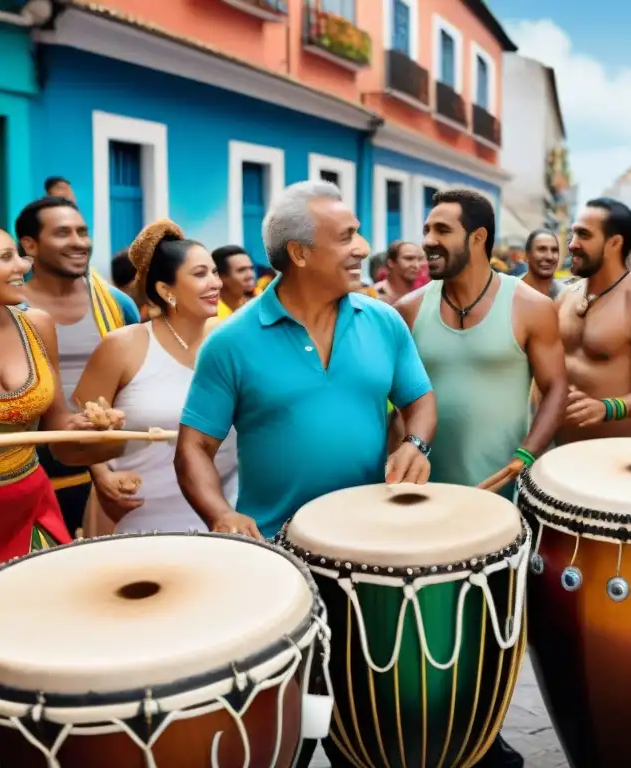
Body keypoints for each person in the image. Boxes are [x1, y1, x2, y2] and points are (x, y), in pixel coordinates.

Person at [393, 189, 568, 767]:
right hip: (423, 506)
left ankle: (482, 732)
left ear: (478, 238)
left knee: (493, 627)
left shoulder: (530, 306)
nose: (428, 241)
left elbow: (556, 388)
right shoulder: (408, 310)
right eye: (426, 229)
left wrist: (527, 455)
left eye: (441, 230)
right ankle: (438, 728)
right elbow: (395, 403)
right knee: (429, 628)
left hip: (501, 502)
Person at [176, 179, 435, 540]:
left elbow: (419, 399)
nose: (363, 248)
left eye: (358, 233)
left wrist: (415, 444)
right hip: (276, 547)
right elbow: (194, 447)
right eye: (346, 237)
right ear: (299, 253)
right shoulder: (230, 341)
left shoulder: (384, 321)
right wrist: (220, 513)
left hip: (372, 540)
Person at [74, 220, 238, 535]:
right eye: (200, 274)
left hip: (225, 511)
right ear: (166, 291)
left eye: (215, 272)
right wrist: (102, 475)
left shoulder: (230, 340)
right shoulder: (123, 345)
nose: (216, 283)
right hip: (139, 513)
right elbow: (81, 427)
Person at [0, 227, 126, 562]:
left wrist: (91, 427)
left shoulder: (37, 325)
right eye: (5, 258)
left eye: (18, 255)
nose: (23, 265)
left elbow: (57, 429)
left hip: (31, 509)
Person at [15, 197, 140, 537]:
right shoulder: (11, 312)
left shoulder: (116, 305)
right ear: (30, 245)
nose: (79, 242)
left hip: (118, 472)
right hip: (34, 474)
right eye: (63, 233)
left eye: (82, 232)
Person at [554, 198, 631, 444]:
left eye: (584, 235)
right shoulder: (565, 297)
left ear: (614, 243)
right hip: (557, 450)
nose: (572, 244)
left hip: (615, 451)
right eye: (573, 234)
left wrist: (609, 408)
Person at [210, 245, 256, 317]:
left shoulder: (254, 305)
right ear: (220, 277)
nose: (250, 275)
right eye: (241, 270)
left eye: (251, 268)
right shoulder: (211, 316)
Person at [521, 228, 564, 299]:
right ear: (527, 255)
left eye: (554, 250)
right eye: (541, 249)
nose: (549, 257)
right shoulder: (509, 291)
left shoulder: (567, 296)